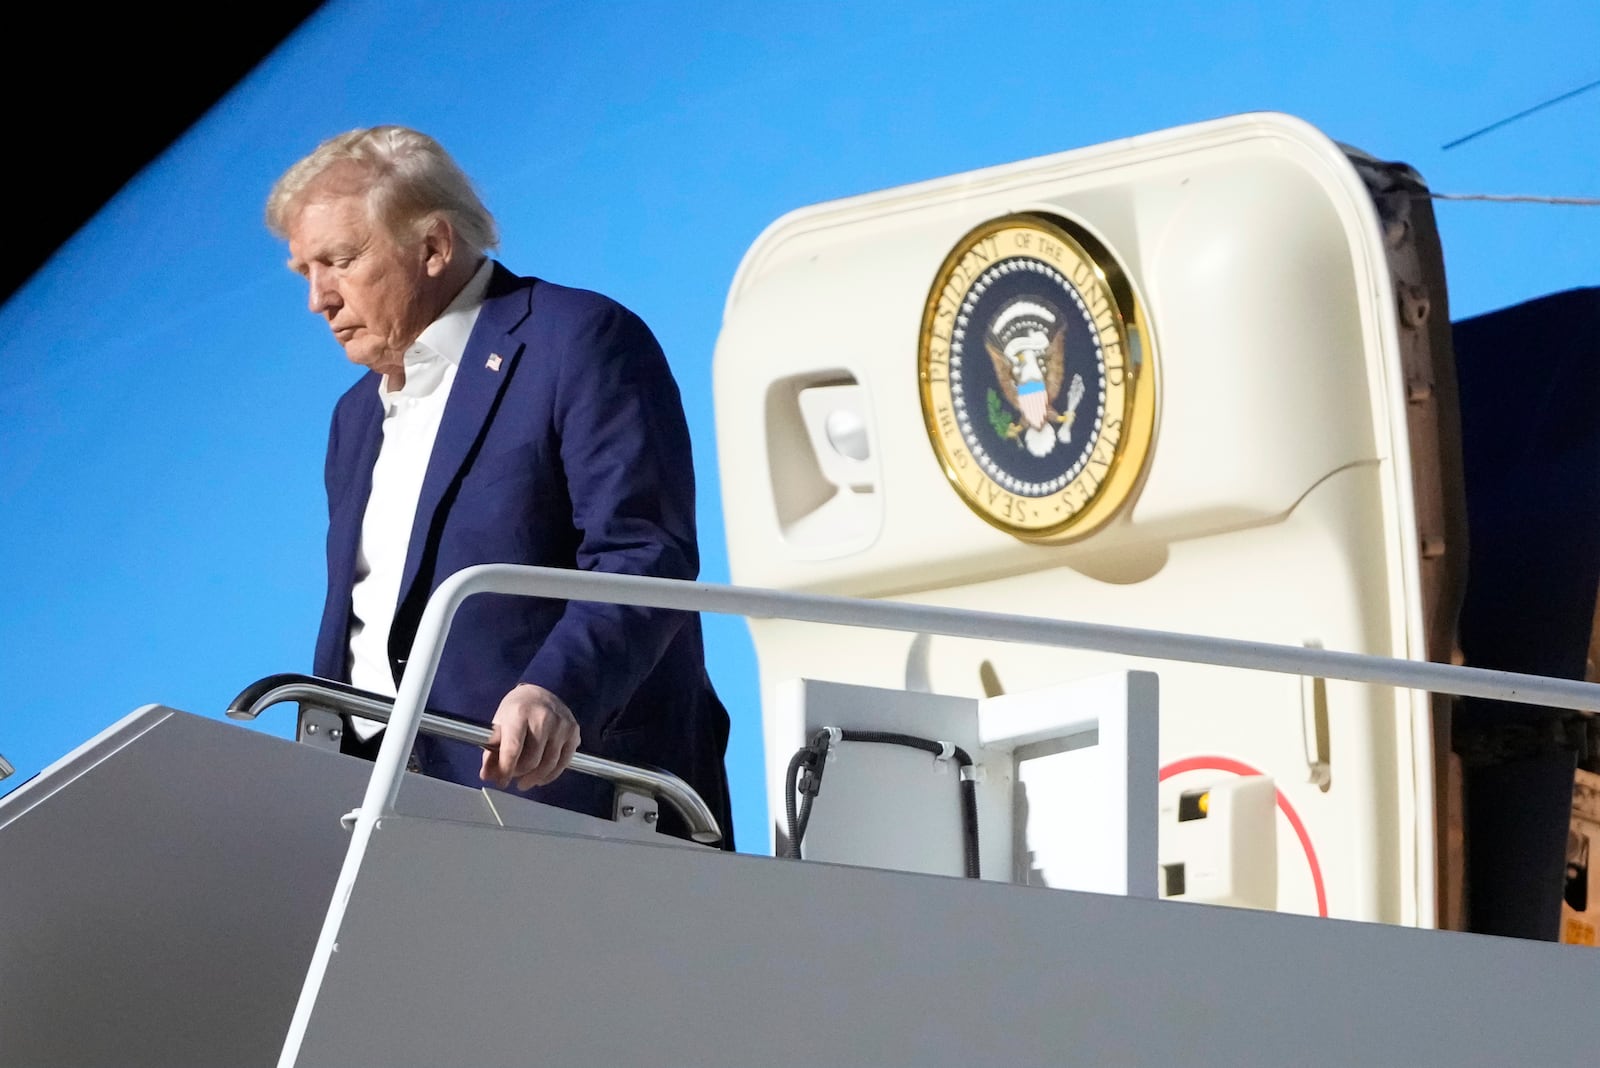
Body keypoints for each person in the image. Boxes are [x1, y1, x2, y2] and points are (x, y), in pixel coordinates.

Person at [265, 126, 733, 847]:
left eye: (340, 261)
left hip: (572, 801)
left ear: (434, 247)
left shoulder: (578, 340)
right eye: (304, 271)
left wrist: (559, 689)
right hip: (389, 815)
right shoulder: (354, 418)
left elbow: (644, 553)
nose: (318, 299)